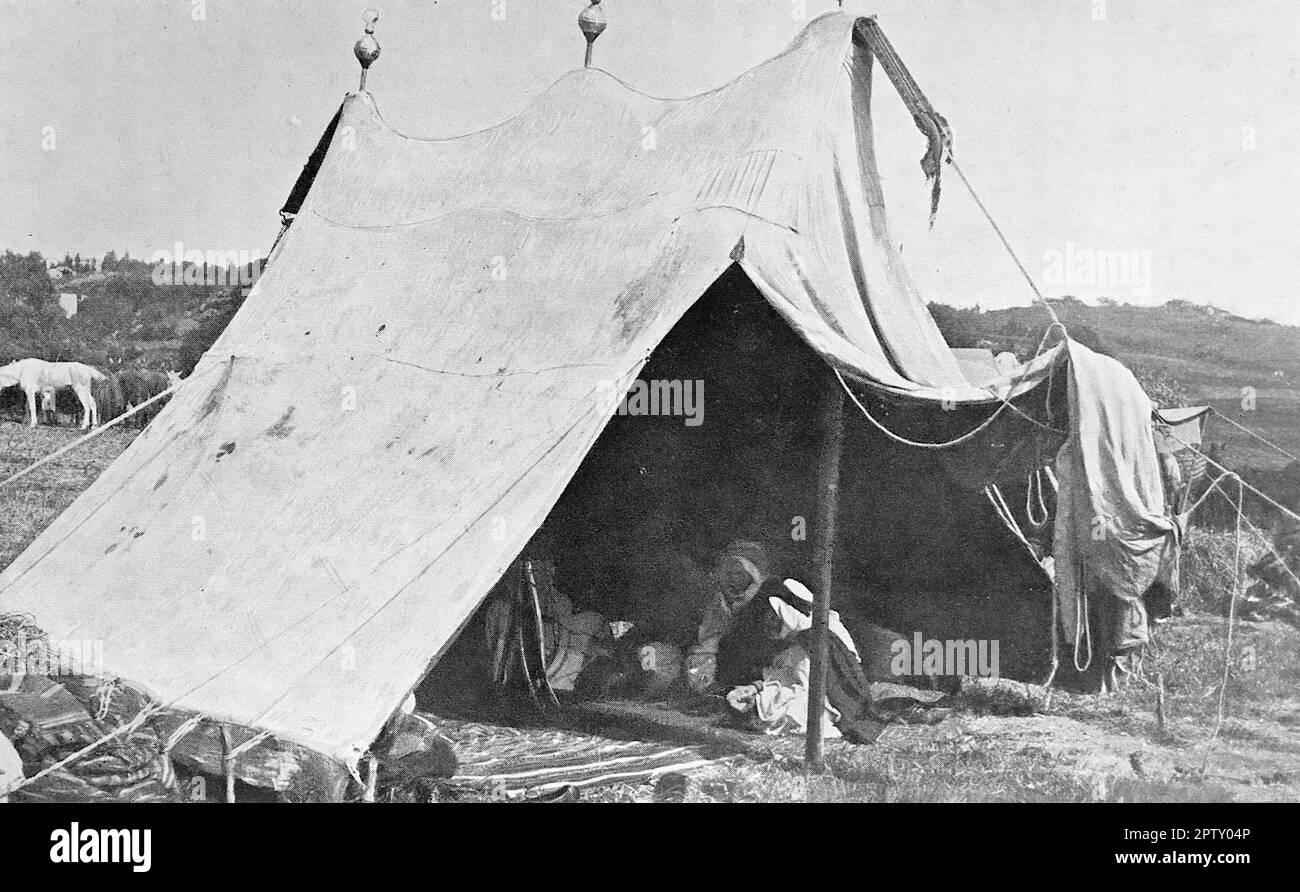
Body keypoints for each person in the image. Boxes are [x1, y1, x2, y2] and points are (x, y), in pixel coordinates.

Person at [724, 581, 883, 742]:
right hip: (807, 691)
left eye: (775, 617)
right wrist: (755, 687)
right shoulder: (795, 640)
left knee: (792, 710)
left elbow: (808, 689)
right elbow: (782, 674)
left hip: (831, 700)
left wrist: (761, 698)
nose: (769, 623)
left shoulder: (811, 640)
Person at [683, 540, 771, 692]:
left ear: (751, 575)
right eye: (729, 573)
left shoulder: (762, 600)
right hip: (722, 658)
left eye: (739, 573)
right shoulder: (720, 600)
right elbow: (709, 635)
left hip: (754, 661)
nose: (733, 578)